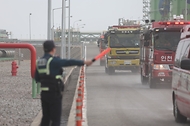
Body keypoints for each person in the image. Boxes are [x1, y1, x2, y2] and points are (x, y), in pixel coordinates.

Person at [35, 40, 93, 126]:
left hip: (44, 93)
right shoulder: (53, 61)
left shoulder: (39, 62)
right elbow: (68, 62)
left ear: (44, 49)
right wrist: (83, 62)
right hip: (54, 93)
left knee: (46, 118)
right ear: (53, 49)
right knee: (56, 119)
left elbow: (36, 78)